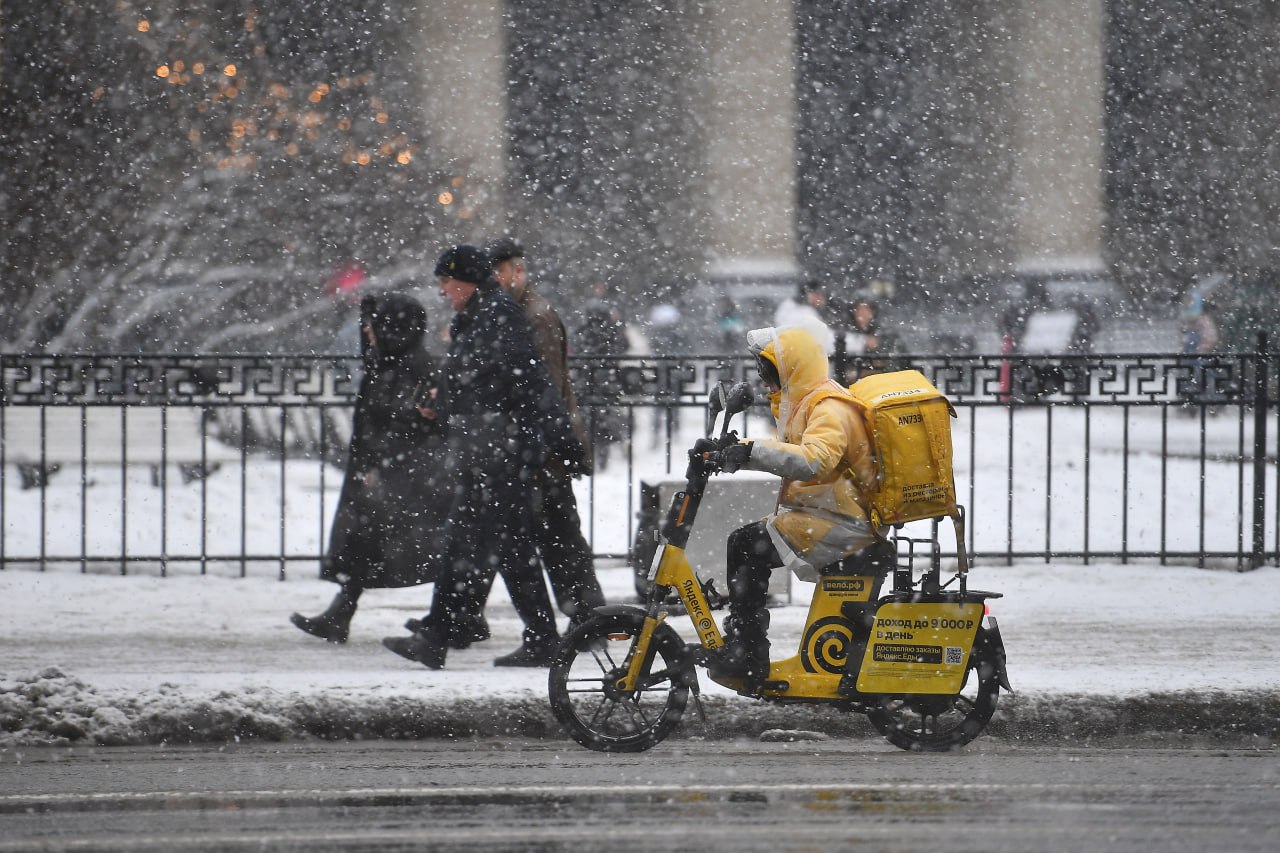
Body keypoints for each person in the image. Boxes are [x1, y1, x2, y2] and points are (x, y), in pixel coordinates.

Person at [381, 245, 586, 670]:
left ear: (467, 281)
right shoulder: (478, 318)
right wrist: (445, 402)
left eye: (445, 282)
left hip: (504, 452)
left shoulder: (499, 317)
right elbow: (481, 380)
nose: (441, 291)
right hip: (488, 450)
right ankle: (441, 635)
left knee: (507, 548)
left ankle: (534, 637)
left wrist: (554, 441)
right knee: (473, 542)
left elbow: (523, 381)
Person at [704, 324, 883, 687]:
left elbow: (814, 460)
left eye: (768, 373)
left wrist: (752, 450)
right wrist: (739, 452)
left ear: (791, 368)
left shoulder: (830, 407)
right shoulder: (811, 402)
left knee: (745, 546)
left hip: (846, 525)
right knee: (745, 542)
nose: (764, 381)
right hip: (831, 517)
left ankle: (749, 651)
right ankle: (746, 643)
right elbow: (792, 452)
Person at [289, 293, 447, 643]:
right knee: (368, 542)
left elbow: (415, 423)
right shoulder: (387, 364)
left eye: (374, 324)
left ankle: (456, 617)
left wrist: (380, 462)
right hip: (383, 470)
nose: (368, 331)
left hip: (402, 475)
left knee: (426, 546)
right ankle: (342, 612)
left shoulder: (412, 368)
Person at [486, 237, 606, 633]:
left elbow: (546, 387)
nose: (494, 280)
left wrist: (540, 441)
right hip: (542, 444)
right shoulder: (519, 311)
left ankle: (587, 618)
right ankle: (586, 617)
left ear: (518, 273)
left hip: (546, 448)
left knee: (558, 536)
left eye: (499, 272)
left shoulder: (534, 315)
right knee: (555, 535)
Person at [575, 281, 628, 470]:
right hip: (605, 378)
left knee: (591, 417)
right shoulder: (610, 326)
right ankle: (603, 454)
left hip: (588, 378)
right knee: (605, 417)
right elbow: (622, 345)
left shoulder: (584, 328)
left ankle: (592, 455)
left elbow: (577, 346)